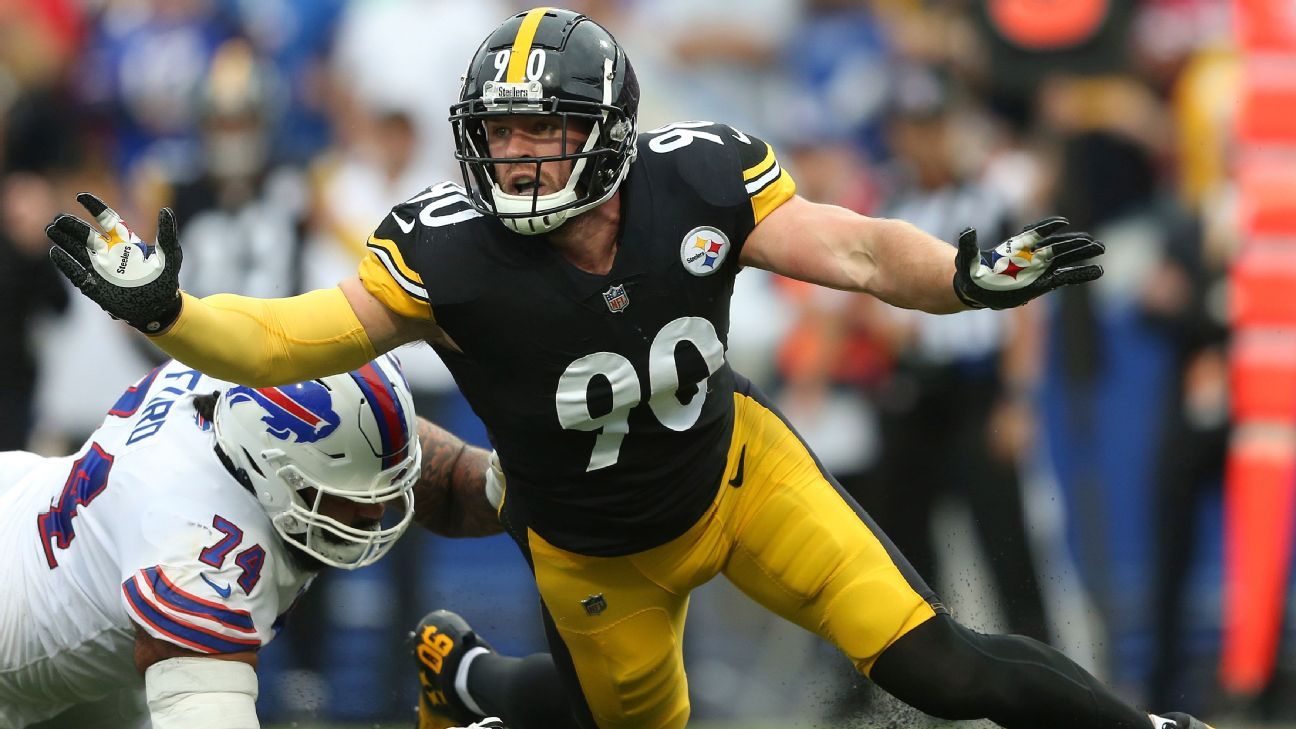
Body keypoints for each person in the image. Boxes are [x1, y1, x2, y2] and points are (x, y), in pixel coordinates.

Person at [44, 8, 1211, 729]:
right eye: (500, 132)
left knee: (939, 665)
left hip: (738, 476)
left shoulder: (702, 176)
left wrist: (963, 276)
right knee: (627, 723)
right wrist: (169, 309)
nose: (518, 152)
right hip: (593, 549)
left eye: (542, 127)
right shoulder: (449, 251)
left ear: (606, 125)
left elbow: (852, 248)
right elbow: (292, 337)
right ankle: (470, 681)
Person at [0, 353, 498, 729]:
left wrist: (539, 483)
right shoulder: (196, 553)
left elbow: (453, 484)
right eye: (341, 495)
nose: (371, 513)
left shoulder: (259, 390)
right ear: (269, 469)